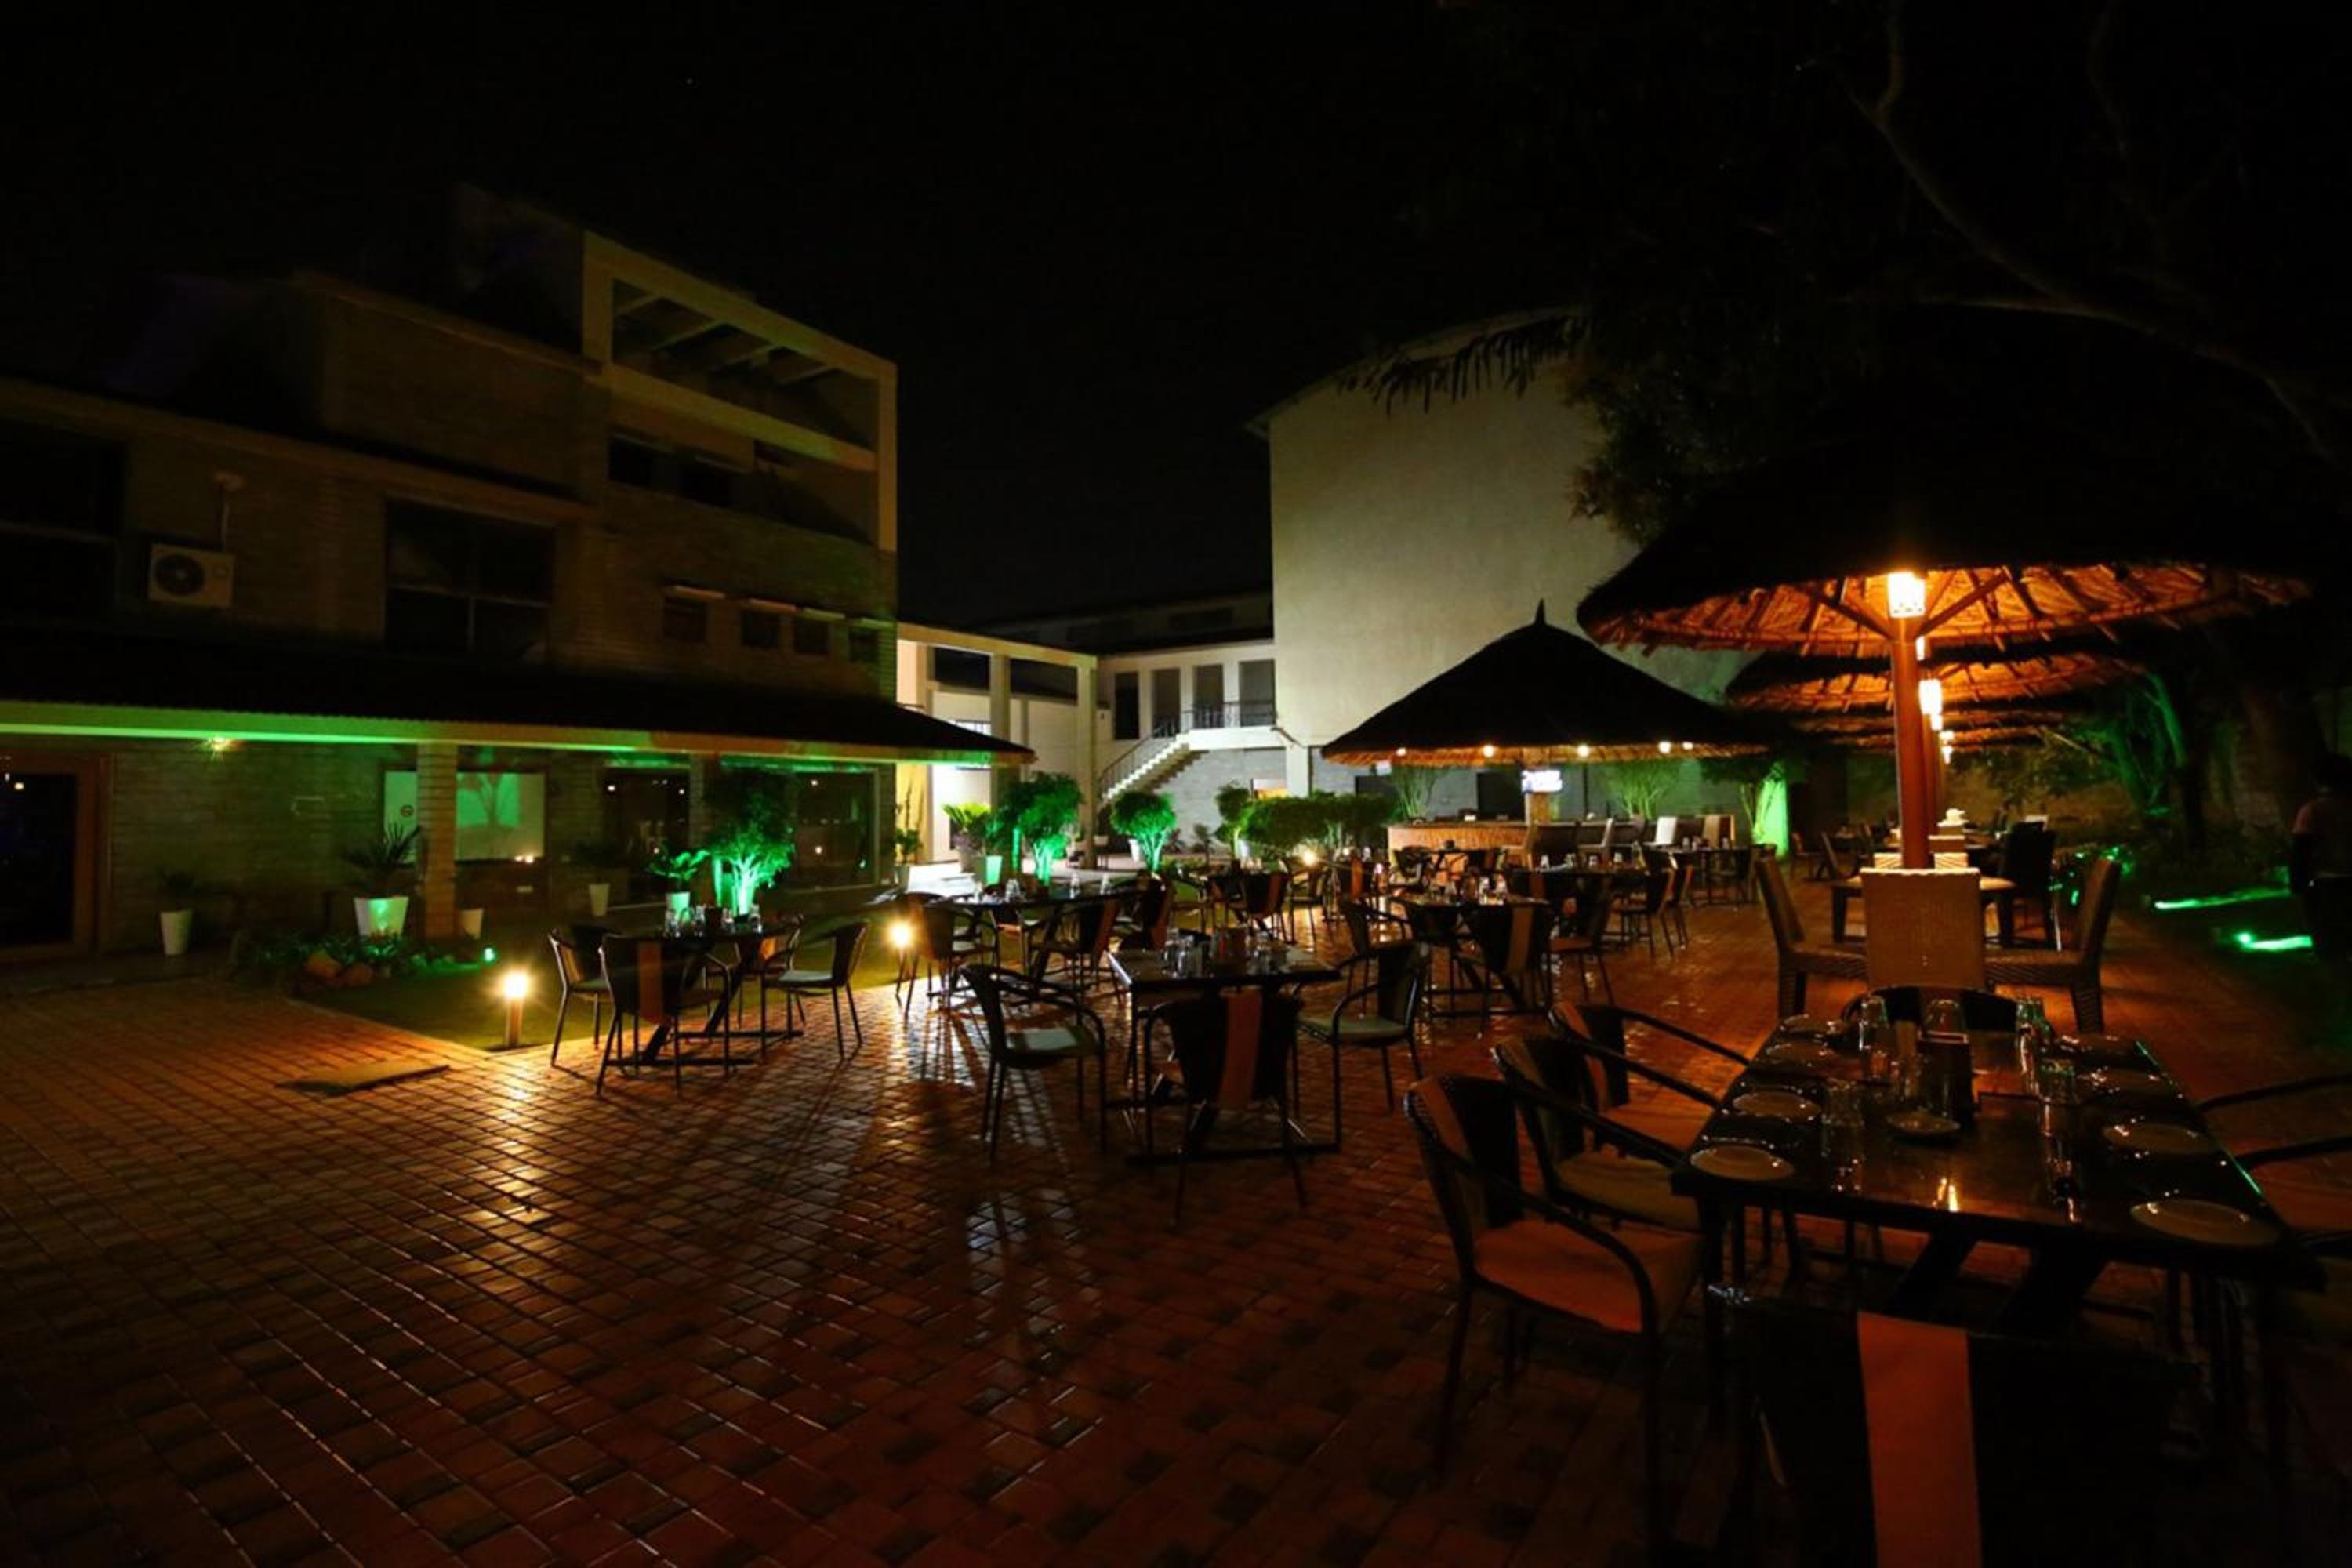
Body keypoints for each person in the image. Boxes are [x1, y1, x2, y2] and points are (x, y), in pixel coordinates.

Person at [2291, 753, 2352, 959]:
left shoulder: (2313, 811)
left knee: (2331, 944)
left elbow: (2302, 849)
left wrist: (2298, 883)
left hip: (2328, 884)